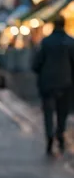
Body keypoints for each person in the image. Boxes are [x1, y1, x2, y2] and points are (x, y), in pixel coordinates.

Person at [32, 15, 74, 155]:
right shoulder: (70, 42)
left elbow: (37, 63)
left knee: (48, 112)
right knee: (62, 112)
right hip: (66, 83)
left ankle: (50, 134)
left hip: (48, 83)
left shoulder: (46, 42)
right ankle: (60, 133)